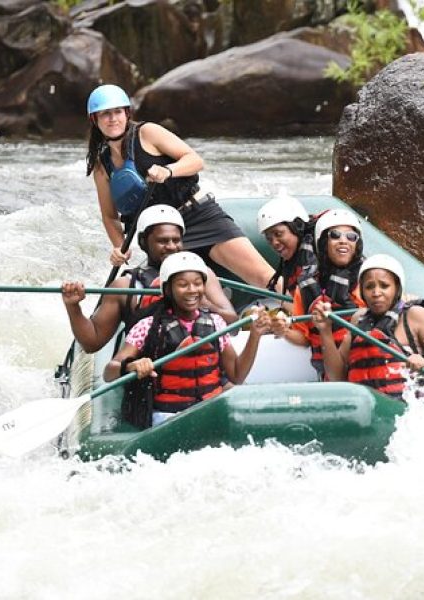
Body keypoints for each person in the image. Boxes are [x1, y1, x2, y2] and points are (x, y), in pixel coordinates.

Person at [85, 84, 275, 288]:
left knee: (263, 277)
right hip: (163, 238)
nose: (113, 118)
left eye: (117, 112)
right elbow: (110, 216)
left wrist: (168, 171)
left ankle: (300, 310)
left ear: (127, 113)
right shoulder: (101, 164)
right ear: (95, 119)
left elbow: (195, 160)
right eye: (105, 114)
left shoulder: (148, 132)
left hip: (197, 217)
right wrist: (119, 246)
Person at [104, 252, 271, 429]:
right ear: (168, 289)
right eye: (183, 285)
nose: (192, 290)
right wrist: (132, 365)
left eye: (198, 284)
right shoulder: (148, 327)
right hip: (168, 416)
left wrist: (255, 335)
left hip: (211, 409)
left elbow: (236, 375)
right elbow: (109, 372)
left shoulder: (216, 323)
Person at [62, 205, 236, 353]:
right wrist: (73, 306)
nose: (171, 247)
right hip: (153, 376)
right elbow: (92, 343)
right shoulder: (126, 287)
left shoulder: (201, 275)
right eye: (162, 241)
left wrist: (204, 303)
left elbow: (233, 323)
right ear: (144, 242)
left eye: (176, 240)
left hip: (204, 372)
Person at [313, 254, 424, 399]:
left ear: (397, 288)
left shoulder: (414, 315)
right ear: (362, 292)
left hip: (410, 412)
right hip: (370, 412)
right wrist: (325, 331)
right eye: (369, 287)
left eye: (384, 286)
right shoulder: (358, 320)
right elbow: (336, 377)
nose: (376, 293)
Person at [271, 209, 367, 379]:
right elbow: (304, 338)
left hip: (364, 368)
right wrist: (283, 330)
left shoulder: (368, 281)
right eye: (335, 235)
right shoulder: (307, 287)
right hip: (330, 375)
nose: (343, 241)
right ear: (322, 243)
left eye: (351, 237)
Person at [256, 194, 319, 297]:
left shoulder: (315, 253)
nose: (274, 243)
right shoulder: (294, 260)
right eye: (269, 238)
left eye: (278, 234)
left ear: (297, 226)